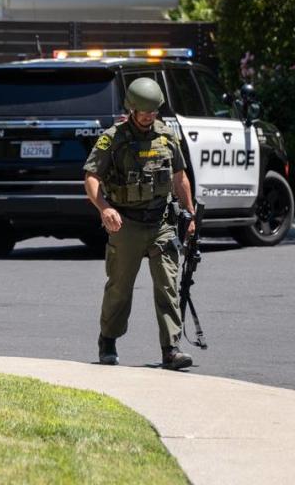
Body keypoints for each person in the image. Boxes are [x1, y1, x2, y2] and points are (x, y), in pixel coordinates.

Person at [83, 77, 197, 370]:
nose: (149, 116)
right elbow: (91, 177)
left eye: (153, 111)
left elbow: (179, 176)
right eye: (143, 111)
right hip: (126, 223)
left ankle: (171, 349)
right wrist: (104, 208)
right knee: (120, 288)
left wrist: (190, 212)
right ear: (131, 108)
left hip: (161, 221)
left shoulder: (166, 136)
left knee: (168, 285)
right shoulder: (114, 137)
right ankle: (108, 340)